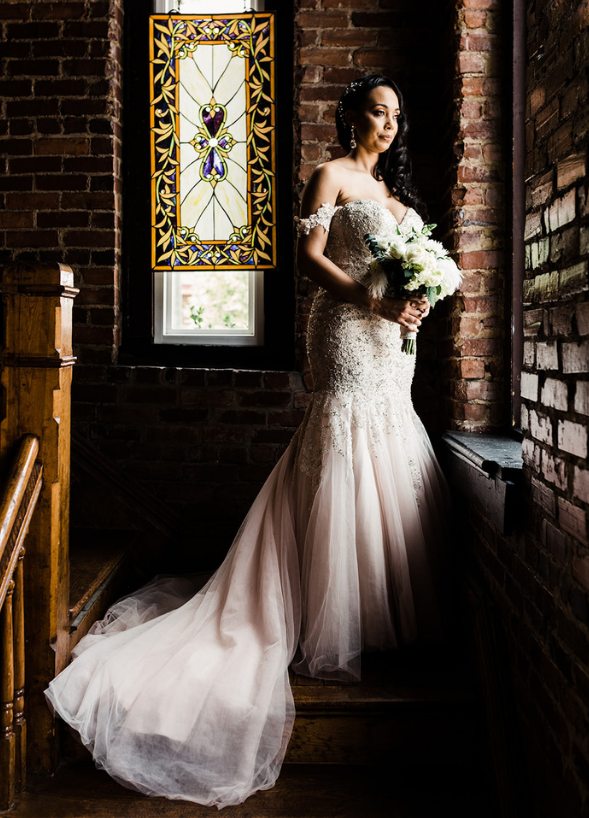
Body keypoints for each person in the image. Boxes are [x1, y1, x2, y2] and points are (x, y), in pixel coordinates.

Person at [45, 75, 449, 807]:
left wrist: (413, 302)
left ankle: (374, 610)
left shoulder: (395, 193)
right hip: (348, 331)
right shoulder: (329, 175)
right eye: (378, 110)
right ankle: (321, 611)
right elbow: (308, 258)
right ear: (353, 113)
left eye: (398, 113)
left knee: (388, 448)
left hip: (395, 342)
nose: (389, 123)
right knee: (342, 444)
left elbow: (406, 267)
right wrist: (368, 298)